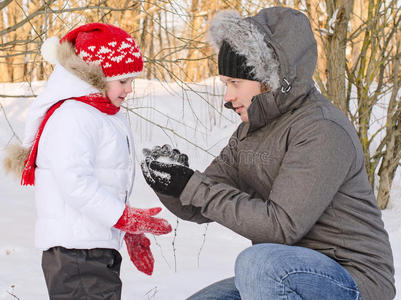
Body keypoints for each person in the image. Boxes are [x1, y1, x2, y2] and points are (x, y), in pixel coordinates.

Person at [140, 7, 396, 300]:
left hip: (352, 279)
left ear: (268, 78)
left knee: (257, 262)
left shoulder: (322, 129)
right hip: (284, 273)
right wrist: (173, 184)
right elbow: (199, 202)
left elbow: (280, 227)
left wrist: (193, 186)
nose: (228, 97)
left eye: (235, 83)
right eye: (225, 84)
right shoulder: (251, 131)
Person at [3, 23, 172, 300]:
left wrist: (125, 227)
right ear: (94, 77)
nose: (129, 89)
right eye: (123, 80)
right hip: (76, 251)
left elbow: (104, 180)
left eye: (132, 80)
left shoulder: (101, 114)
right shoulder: (74, 117)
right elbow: (75, 183)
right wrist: (122, 217)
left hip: (91, 247)